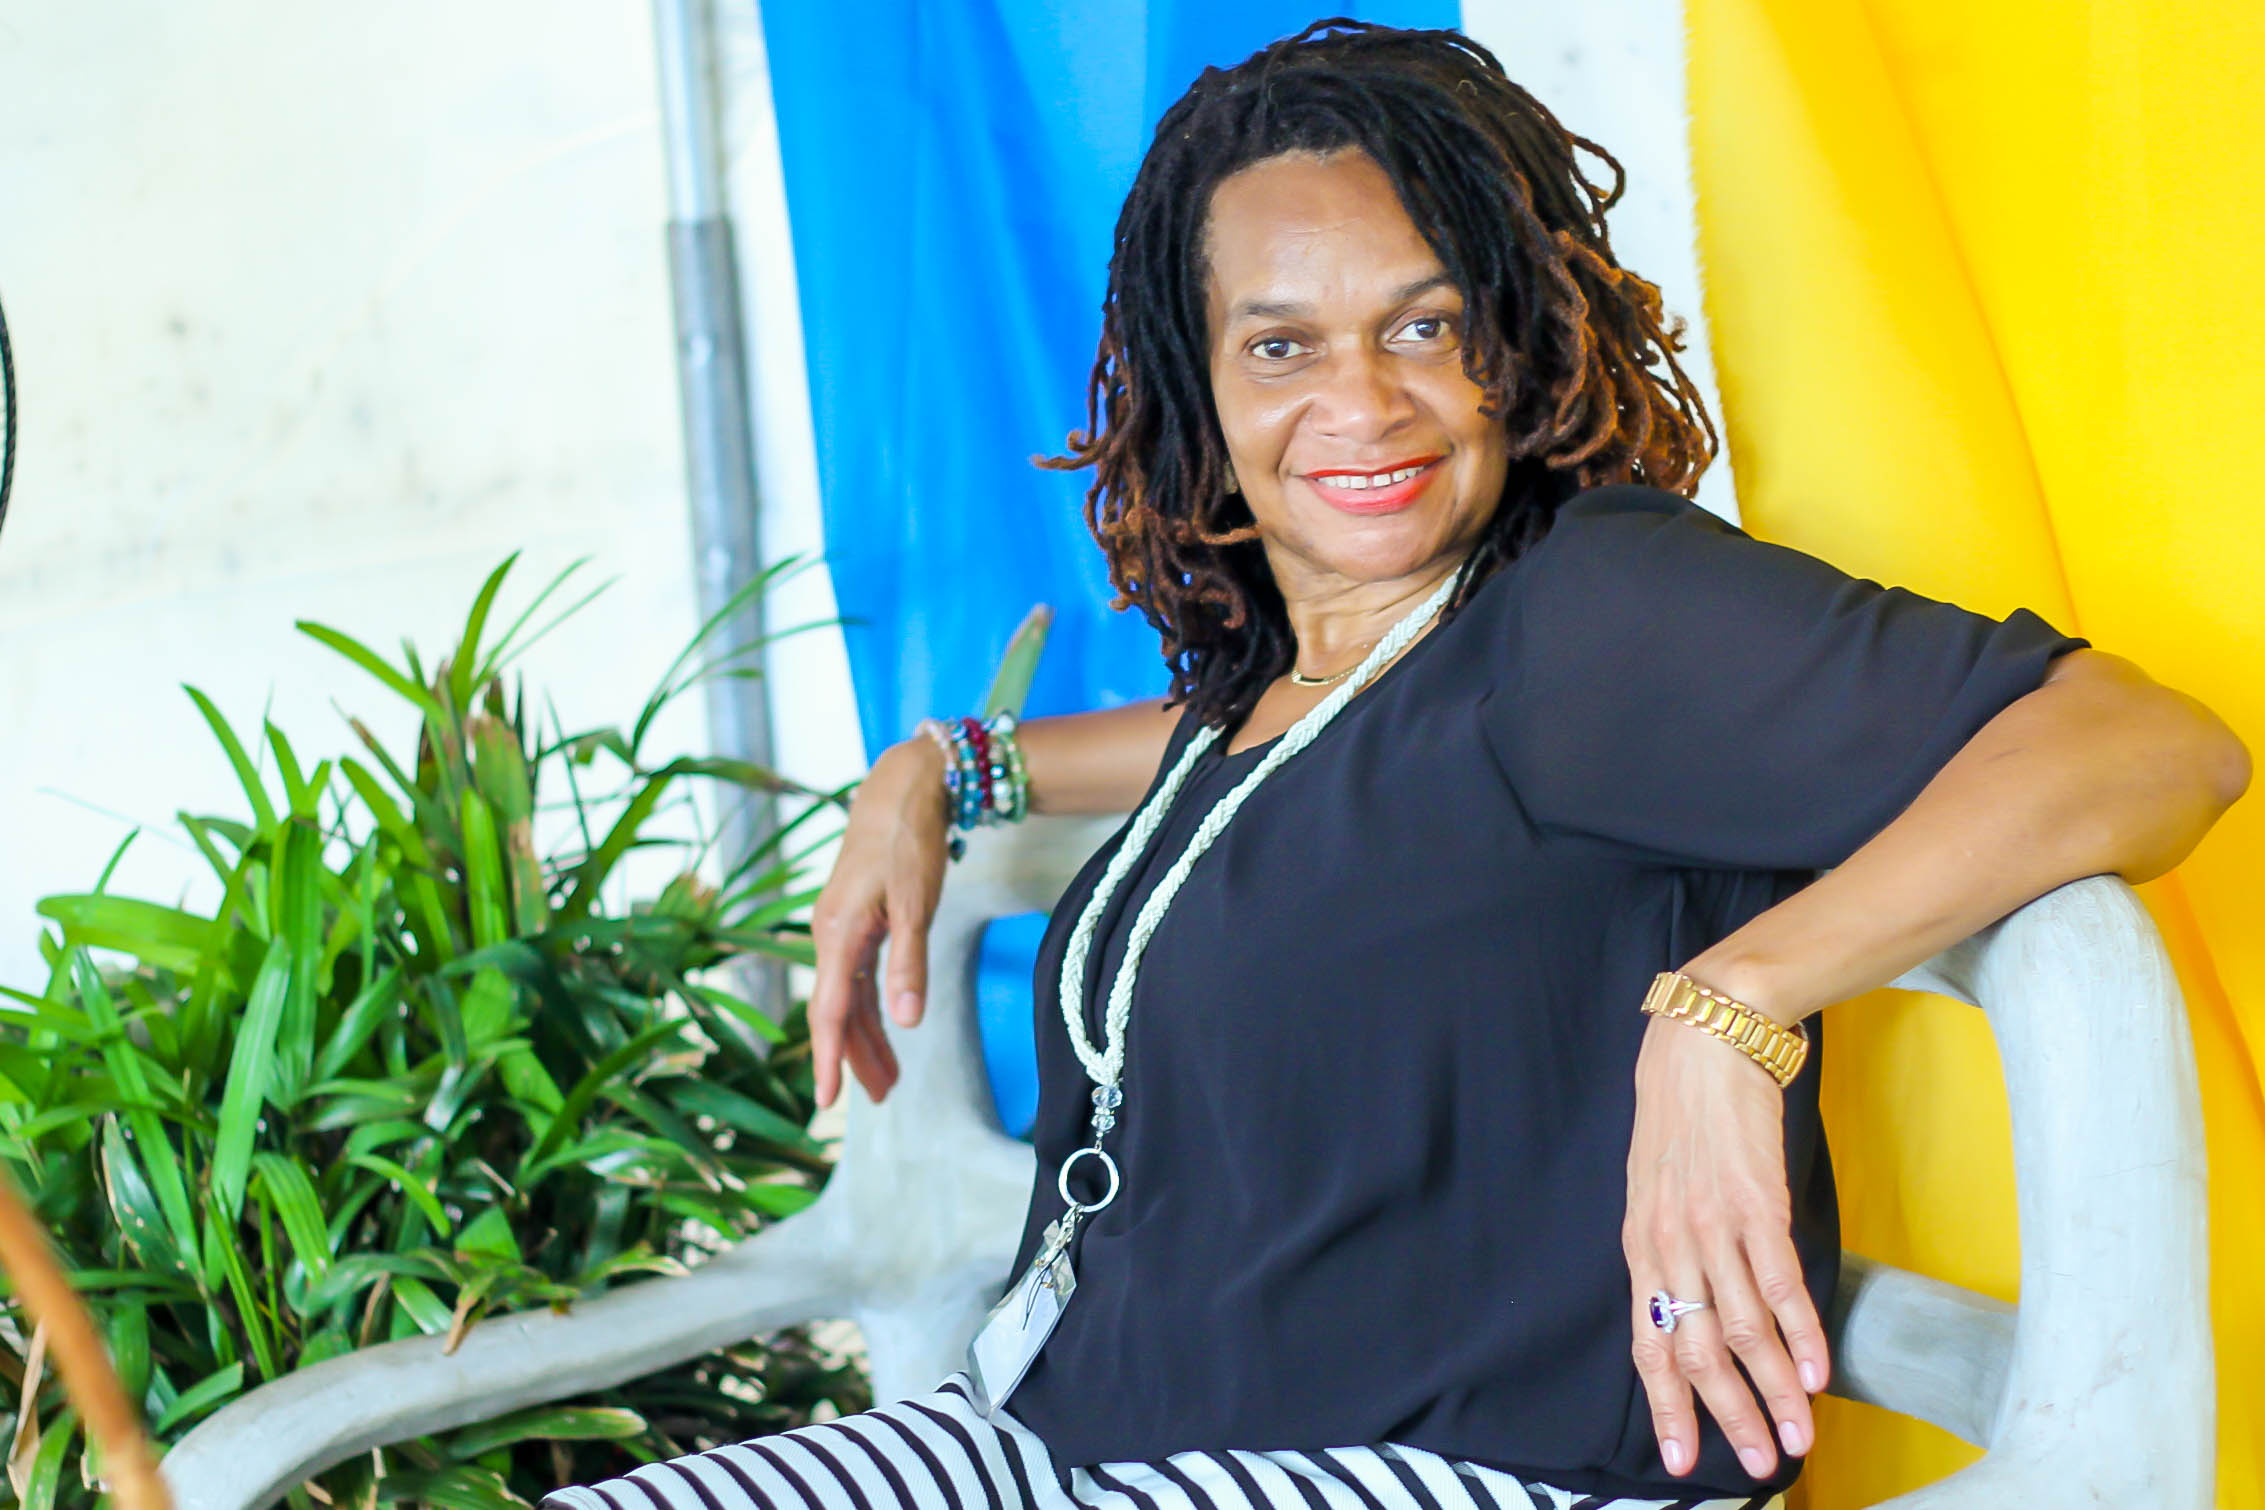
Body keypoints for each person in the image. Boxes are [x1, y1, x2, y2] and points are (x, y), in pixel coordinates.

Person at [544, 20, 2248, 1510]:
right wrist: (931, 770)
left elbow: (2151, 744)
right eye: (1280, 344)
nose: (1360, 401)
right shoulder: (1299, 668)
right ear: (1202, 387)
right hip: (1052, 1425)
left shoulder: (1592, 608)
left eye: (1422, 327)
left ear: (1512, 338)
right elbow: (1254, 769)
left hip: (1443, 1462)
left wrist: (1733, 1001)